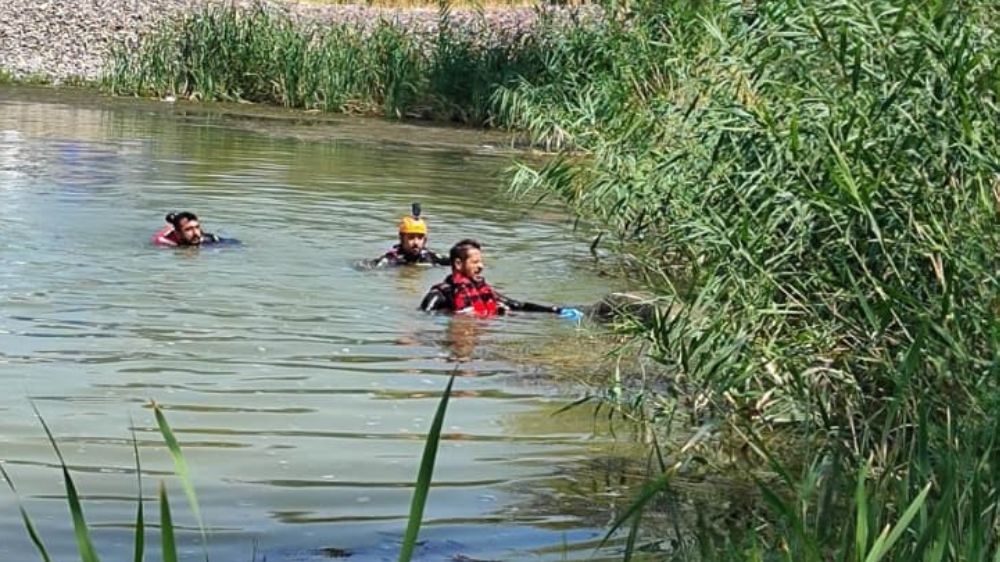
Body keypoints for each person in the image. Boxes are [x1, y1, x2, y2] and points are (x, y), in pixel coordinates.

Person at [419, 238, 584, 319]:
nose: (481, 266)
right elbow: (422, 318)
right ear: (458, 264)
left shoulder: (483, 290)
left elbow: (518, 305)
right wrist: (451, 318)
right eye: (475, 262)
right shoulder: (440, 294)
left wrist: (555, 310)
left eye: (481, 262)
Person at [366, 203, 450, 268]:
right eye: (411, 238)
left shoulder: (430, 257)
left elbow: (452, 261)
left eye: (420, 238)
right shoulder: (391, 259)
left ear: (425, 240)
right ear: (402, 239)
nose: (416, 242)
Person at [152, 212, 234, 247]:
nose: (195, 233)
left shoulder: (208, 238)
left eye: (197, 227)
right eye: (188, 229)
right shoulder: (166, 242)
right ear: (178, 233)